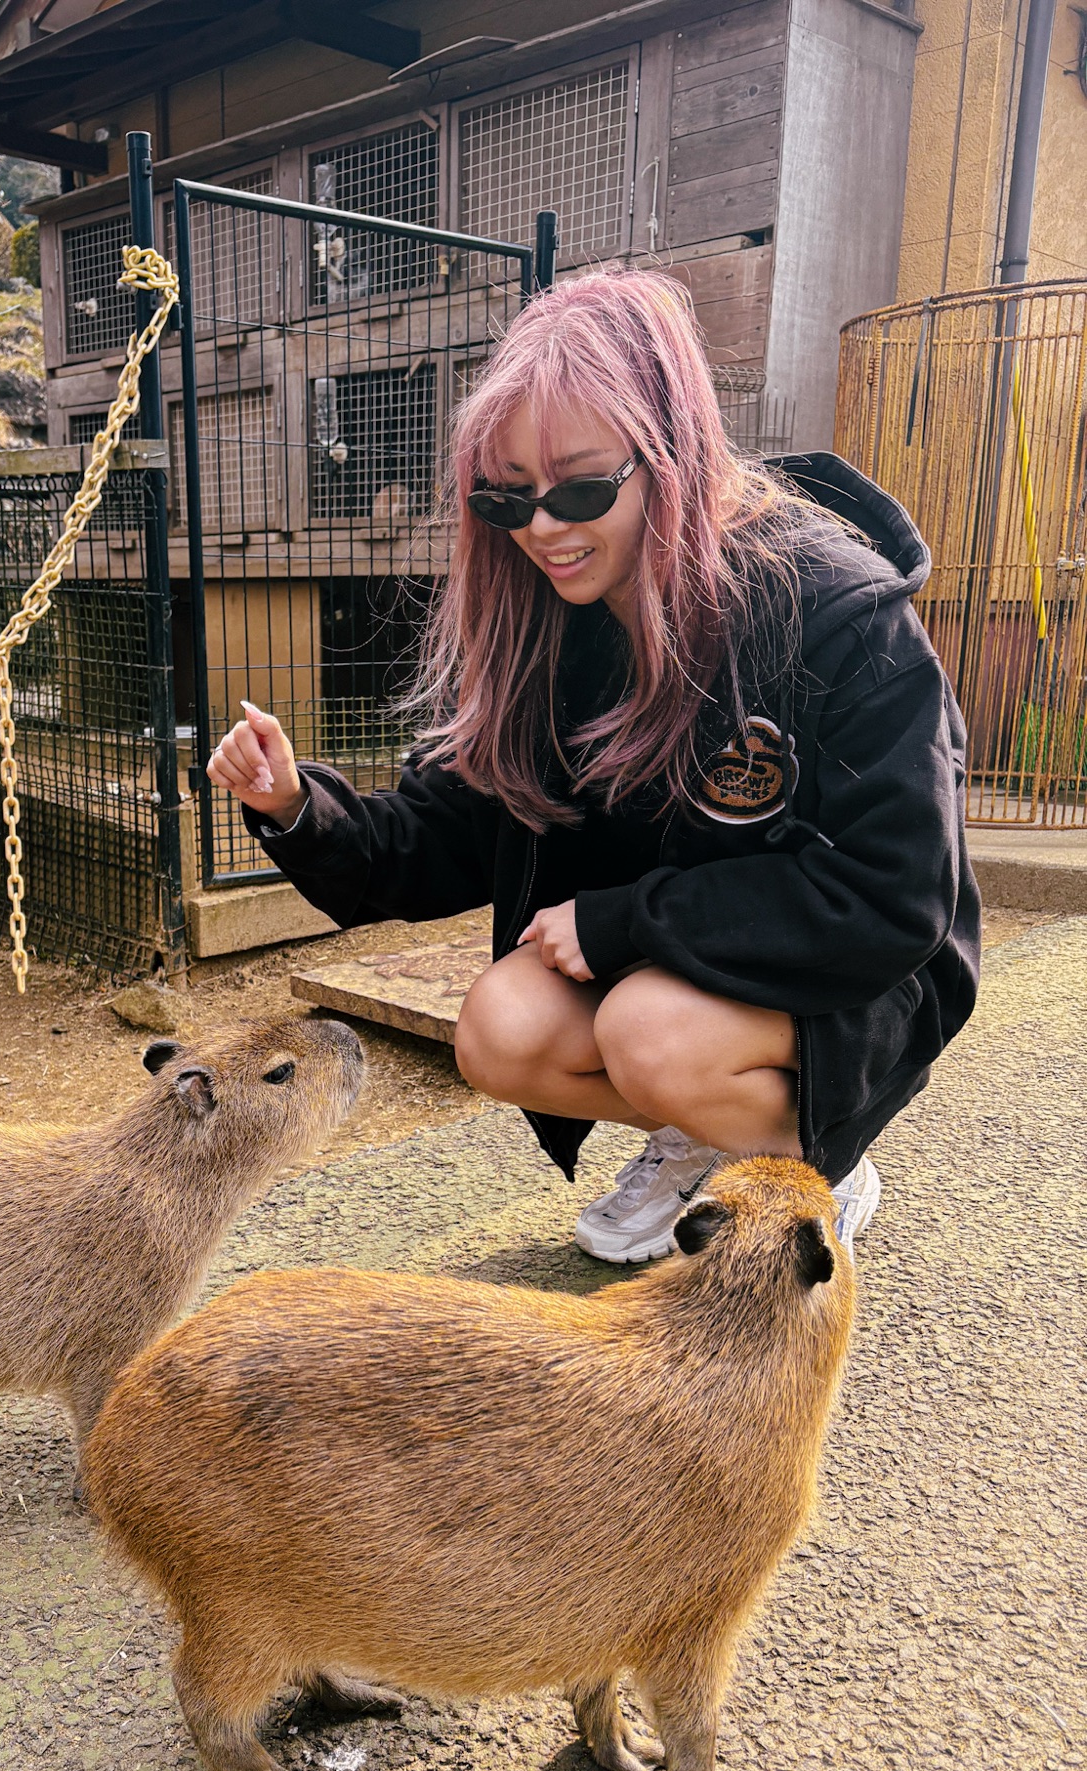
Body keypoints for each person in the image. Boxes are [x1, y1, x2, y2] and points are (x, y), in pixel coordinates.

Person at [206, 269, 980, 1260]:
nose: (542, 528)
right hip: (686, 960)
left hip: (866, 968)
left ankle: (814, 1158)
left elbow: (894, 900)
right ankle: (713, 1131)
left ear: (674, 451)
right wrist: (298, 808)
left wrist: (622, 922)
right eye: (506, 496)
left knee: (652, 1030)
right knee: (499, 1027)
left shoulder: (833, 613)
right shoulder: (552, 621)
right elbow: (455, 827)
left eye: (579, 486)